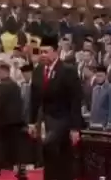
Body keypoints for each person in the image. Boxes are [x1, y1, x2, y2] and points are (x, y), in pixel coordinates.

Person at [29, 34, 82, 180]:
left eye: (46, 52)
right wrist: (32, 122)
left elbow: (76, 99)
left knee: (50, 146)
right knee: (53, 154)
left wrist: (75, 127)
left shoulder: (68, 70)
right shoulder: (38, 70)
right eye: (41, 52)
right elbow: (34, 98)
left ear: (56, 51)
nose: (43, 55)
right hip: (45, 118)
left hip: (63, 117)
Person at [0, 62, 27, 180]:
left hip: (5, 120)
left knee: (2, 144)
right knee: (15, 146)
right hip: (16, 120)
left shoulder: (3, 86)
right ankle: (20, 170)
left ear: (6, 72)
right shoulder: (15, 84)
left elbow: (0, 105)